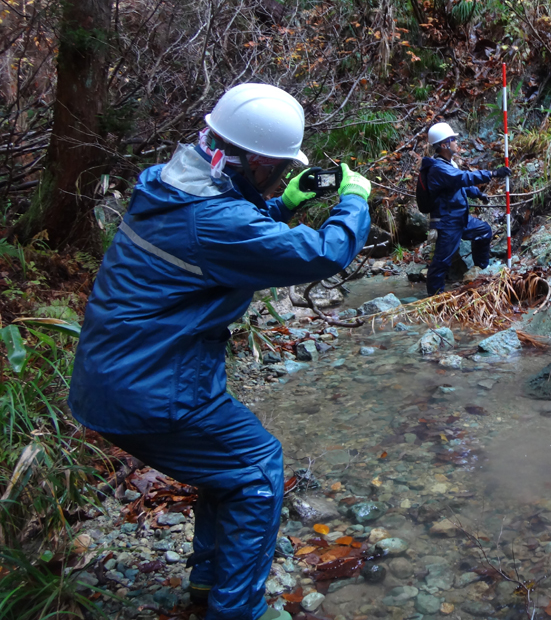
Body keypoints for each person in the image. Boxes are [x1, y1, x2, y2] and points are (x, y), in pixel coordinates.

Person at [68, 83, 372, 620]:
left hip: (119, 374)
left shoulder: (168, 182)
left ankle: (209, 583)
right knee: (256, 469)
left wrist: (283, 203)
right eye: (279, 170)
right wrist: (353, 199)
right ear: (254, 159)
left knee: (226, 470)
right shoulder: (215, 224)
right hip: (151, 389)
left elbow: (224, 226)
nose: (280, 177)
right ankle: (235, 611)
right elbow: (324, 252)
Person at [420, 122, 509, 296]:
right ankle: (433, 300)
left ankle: (481, 272)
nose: (456, 142)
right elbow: (462, 177)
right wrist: (492, 174)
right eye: (453, 139)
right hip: (447, 222)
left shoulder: (448, 164)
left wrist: (477, 193)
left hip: (460, 219)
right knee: (441, 262)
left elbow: (459, 184)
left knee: (484, 231)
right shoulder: (438, 168)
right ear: (444, 144)